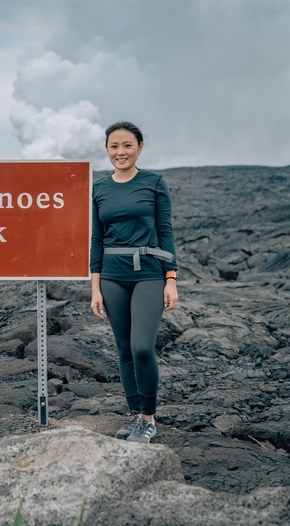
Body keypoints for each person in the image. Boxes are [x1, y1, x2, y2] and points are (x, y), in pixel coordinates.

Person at [90, 122, 179, 444]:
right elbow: (97, 239)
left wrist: (171, 278)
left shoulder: (153, 182)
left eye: (127, 145)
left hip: (149, 274)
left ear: (140, 147)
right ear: (107, 150)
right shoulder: (99, 188)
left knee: (142, 347)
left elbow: (166, 231)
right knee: (124, 348)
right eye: (114, 146)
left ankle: (149, 417)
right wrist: (95, 287)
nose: (121, 152)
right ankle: (134, 415)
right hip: (112, 275)